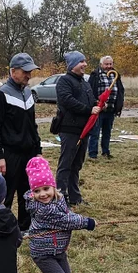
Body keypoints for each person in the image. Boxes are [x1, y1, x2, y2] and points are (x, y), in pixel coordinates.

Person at [23, 156, 96, 273]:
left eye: (46, 188)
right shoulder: (42, 208)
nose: (42, 194)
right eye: (37, 191)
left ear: (53, 187)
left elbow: (68, 214)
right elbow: (66, 221)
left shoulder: (59, 200)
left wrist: (80, 218)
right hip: (43, 252)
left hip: (58, 249)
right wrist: (87, 222)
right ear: (32, 192)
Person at [0, 53, 43, 231]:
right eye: (25, 71)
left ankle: (25, 228)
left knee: (27, 194)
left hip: (29, 153)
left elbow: (32, 125)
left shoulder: (28, 93)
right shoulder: (1, 95)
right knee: (7, 195)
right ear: (13, 71)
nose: (29, 75)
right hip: (10, 154)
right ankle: (2, 229)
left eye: (31, 71)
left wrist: (38, 150)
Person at [54, 51, 98, 206]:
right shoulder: (64, 81)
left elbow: (92, 100)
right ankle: (60, 197)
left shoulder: (85, 83)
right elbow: (67, 100)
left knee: (76, 165)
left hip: (84, 130)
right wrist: (88, 110)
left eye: (85, 61)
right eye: (81, 61)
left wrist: (99, 104)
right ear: (73, 65)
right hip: (69, 130)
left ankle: (75, 197)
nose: (85, 64)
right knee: (66, 164)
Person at [87, 55, 125, 160]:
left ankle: (106, 152)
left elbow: (120, 91)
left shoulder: (116, 75)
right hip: (98, 109)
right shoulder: (95, 75)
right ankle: (92, 154)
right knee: (95, 132)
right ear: (101, 64)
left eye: (110, 64)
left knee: (107, 132)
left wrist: (119, 106)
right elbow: (89, 91)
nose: (108, 66)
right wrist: (97, 103)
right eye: (106, 64)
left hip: (111, 109)